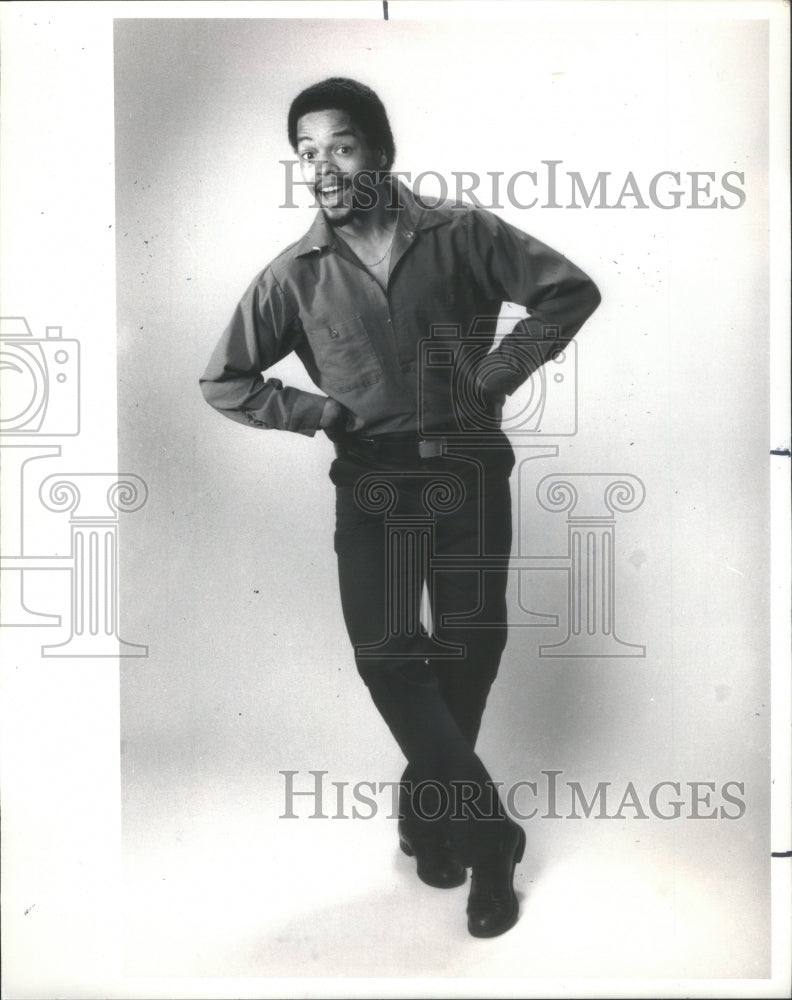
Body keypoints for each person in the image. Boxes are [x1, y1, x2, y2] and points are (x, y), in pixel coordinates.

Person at [200, 77, 600, 938]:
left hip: (468, 471)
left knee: (469, 649)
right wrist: (315, 411)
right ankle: (491, 837)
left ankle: (429, 808)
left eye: (338, 147)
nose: (322, 169)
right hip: (374, 482)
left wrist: (495, 375)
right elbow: (223, 380)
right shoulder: (292, 277)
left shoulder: (465, 235)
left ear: (380, 151)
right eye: (306, 154)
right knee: (386, 655)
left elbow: (570, 291)